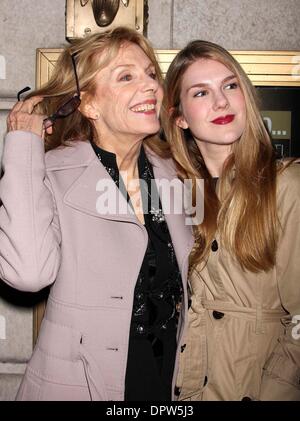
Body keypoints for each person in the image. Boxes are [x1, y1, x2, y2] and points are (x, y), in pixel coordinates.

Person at [0, 27, 194, 401]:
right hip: (80, 387)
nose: (151, 86)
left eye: (151, 74)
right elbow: (28, 275)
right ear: (88, 105)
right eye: (126, 76)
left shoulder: (177, 172)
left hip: (167, 382)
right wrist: (24, 147)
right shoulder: (50, 173)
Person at [162, 40, 300, 401]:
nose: (221, 102)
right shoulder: (181, 192)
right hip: (188, 386)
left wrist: (277, 390)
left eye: (230, 85)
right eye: (201, 93)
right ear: (179, 117)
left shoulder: (287, 185)